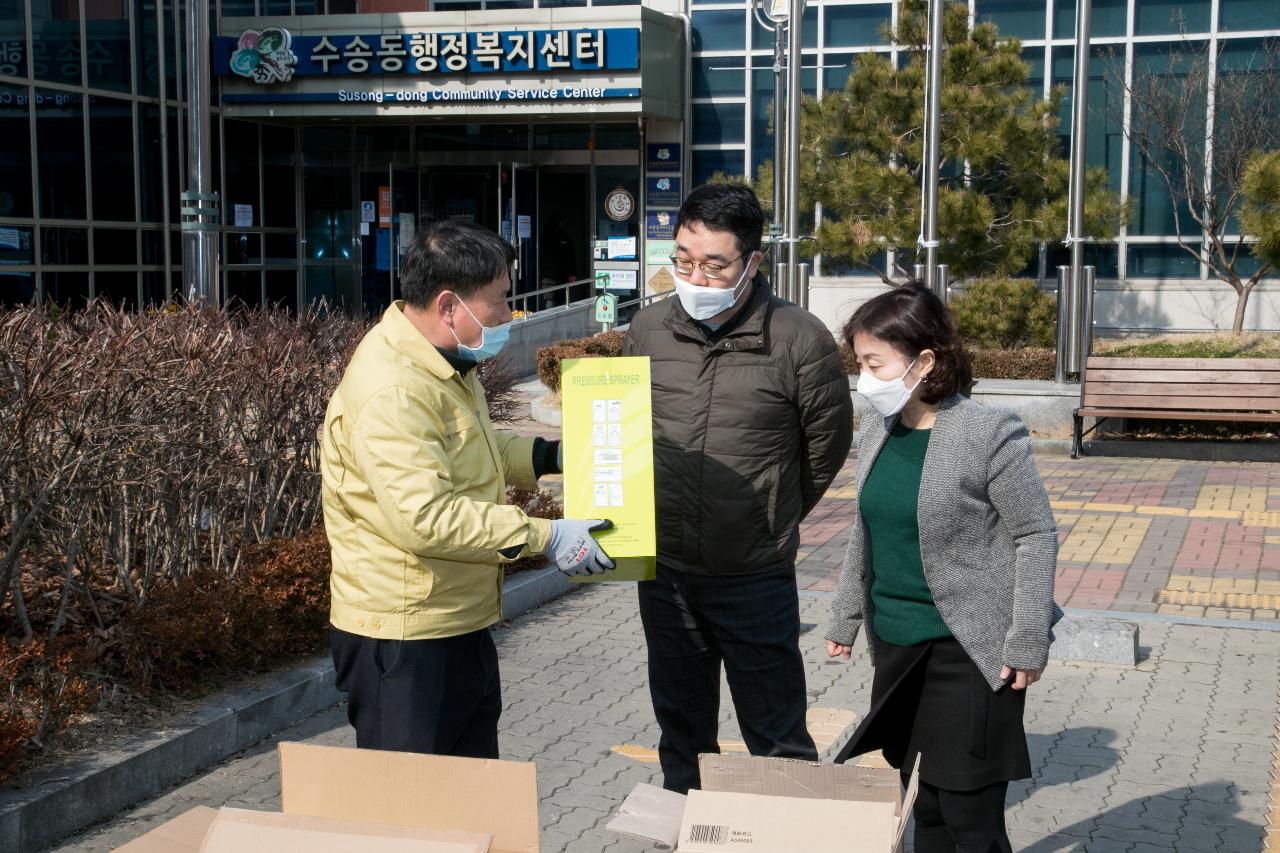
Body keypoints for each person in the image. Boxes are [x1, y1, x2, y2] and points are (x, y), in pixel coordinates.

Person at [321, 218, 616, 758]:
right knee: (411, 818)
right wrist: (546, 536)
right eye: (500, 302)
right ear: (449, 305)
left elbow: (473, 448)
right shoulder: (393, 390)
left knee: (466, 798)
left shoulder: (443, 362)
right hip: (406, 636)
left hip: (455, 620)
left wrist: (554, 456)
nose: (509, 316)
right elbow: (426, 518)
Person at [622, 183, 854, 793]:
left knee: (776, 738)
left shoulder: (799, 338)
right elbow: (623, 432)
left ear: (752, 263)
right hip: (665, 572)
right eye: (683, 259)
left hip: (754, 574)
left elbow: (825, 447)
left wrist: (769, 513)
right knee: (681, 731)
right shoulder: (646, 329)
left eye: (714, 263)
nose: (695, 276)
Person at [823, 282, 1061, 853]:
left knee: (968, 814)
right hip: (899, 648)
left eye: (875, 363)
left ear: (924, 360)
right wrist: (844, 619)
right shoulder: (880, 429)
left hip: (971, 649)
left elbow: (1035, 533)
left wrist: (1027, 641)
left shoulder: (987, 432)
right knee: (921, 805)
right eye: (859, 363)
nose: (864, 378)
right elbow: (869, 529)